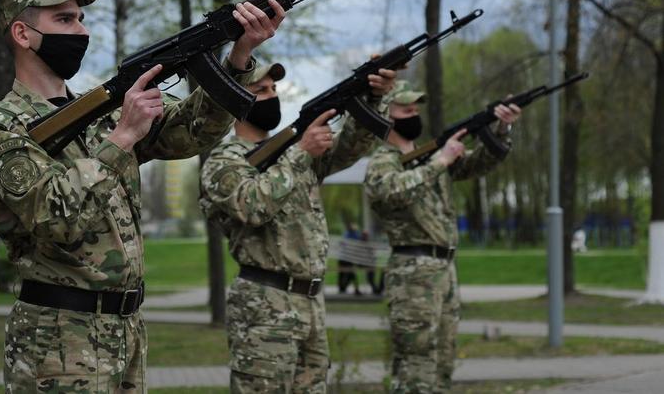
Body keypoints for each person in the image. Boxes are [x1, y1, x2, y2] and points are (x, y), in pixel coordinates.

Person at [0, 0, 284, 392]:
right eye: (63, 19)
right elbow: (56, 218)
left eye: (80, 19)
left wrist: (239, 56)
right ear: (22, 34)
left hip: (126, 329)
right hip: (58, 339)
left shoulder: (105, 112)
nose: (80, 31)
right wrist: (124, 137)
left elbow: (193, 129)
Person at [200, 60, 396, 393]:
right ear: (235, 98)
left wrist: (373, 97)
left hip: (310, 300)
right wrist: (300, 151)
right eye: (260, 90)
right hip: (264, 302)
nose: (272, 96)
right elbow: (252, 206)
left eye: (274, 89)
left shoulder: (292, 151)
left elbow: (351, 146)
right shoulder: (224, 160)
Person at [363, 81, 521, 394]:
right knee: (416, 361)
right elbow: (389, 192)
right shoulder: (384, 160)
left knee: (443, 360)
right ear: (386, 115)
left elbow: (480, 163)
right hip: (413, 270)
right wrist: (441, 161)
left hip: (444, 268)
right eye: (405, 108)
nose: (413, 113)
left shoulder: (431, 155)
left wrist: (501, 128)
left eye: (415, 108)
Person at [337, 222, 362, 295]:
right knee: (342, 273)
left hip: (349, 258)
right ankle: (342, 288)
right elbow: (344, 243)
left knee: (351, 273)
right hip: (343, 258)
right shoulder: (347, 234)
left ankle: (349, 288)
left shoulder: (355, 234)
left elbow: (359, 242)